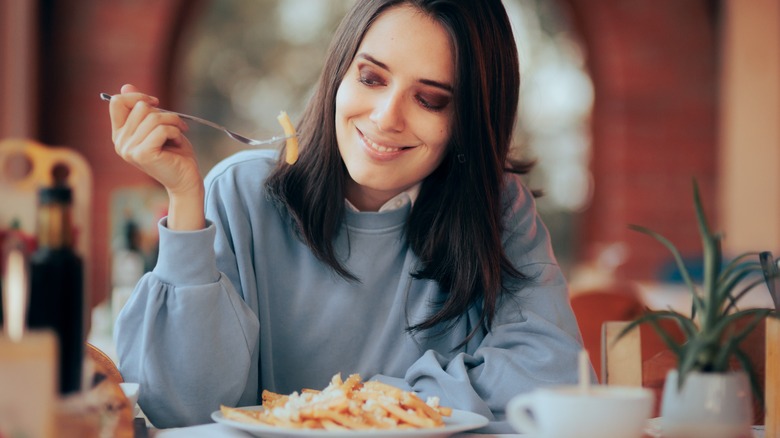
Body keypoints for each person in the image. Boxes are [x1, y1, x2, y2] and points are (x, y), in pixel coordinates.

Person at [108, 0, 590, 432]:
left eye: (431, 99)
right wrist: (184, 199)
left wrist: (372, 409)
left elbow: (551, 372)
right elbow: (182, 406)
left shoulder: (499, 207)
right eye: (371, 77)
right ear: (339, 72)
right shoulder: (239, 192)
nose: (386, 117)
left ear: (469, 118)